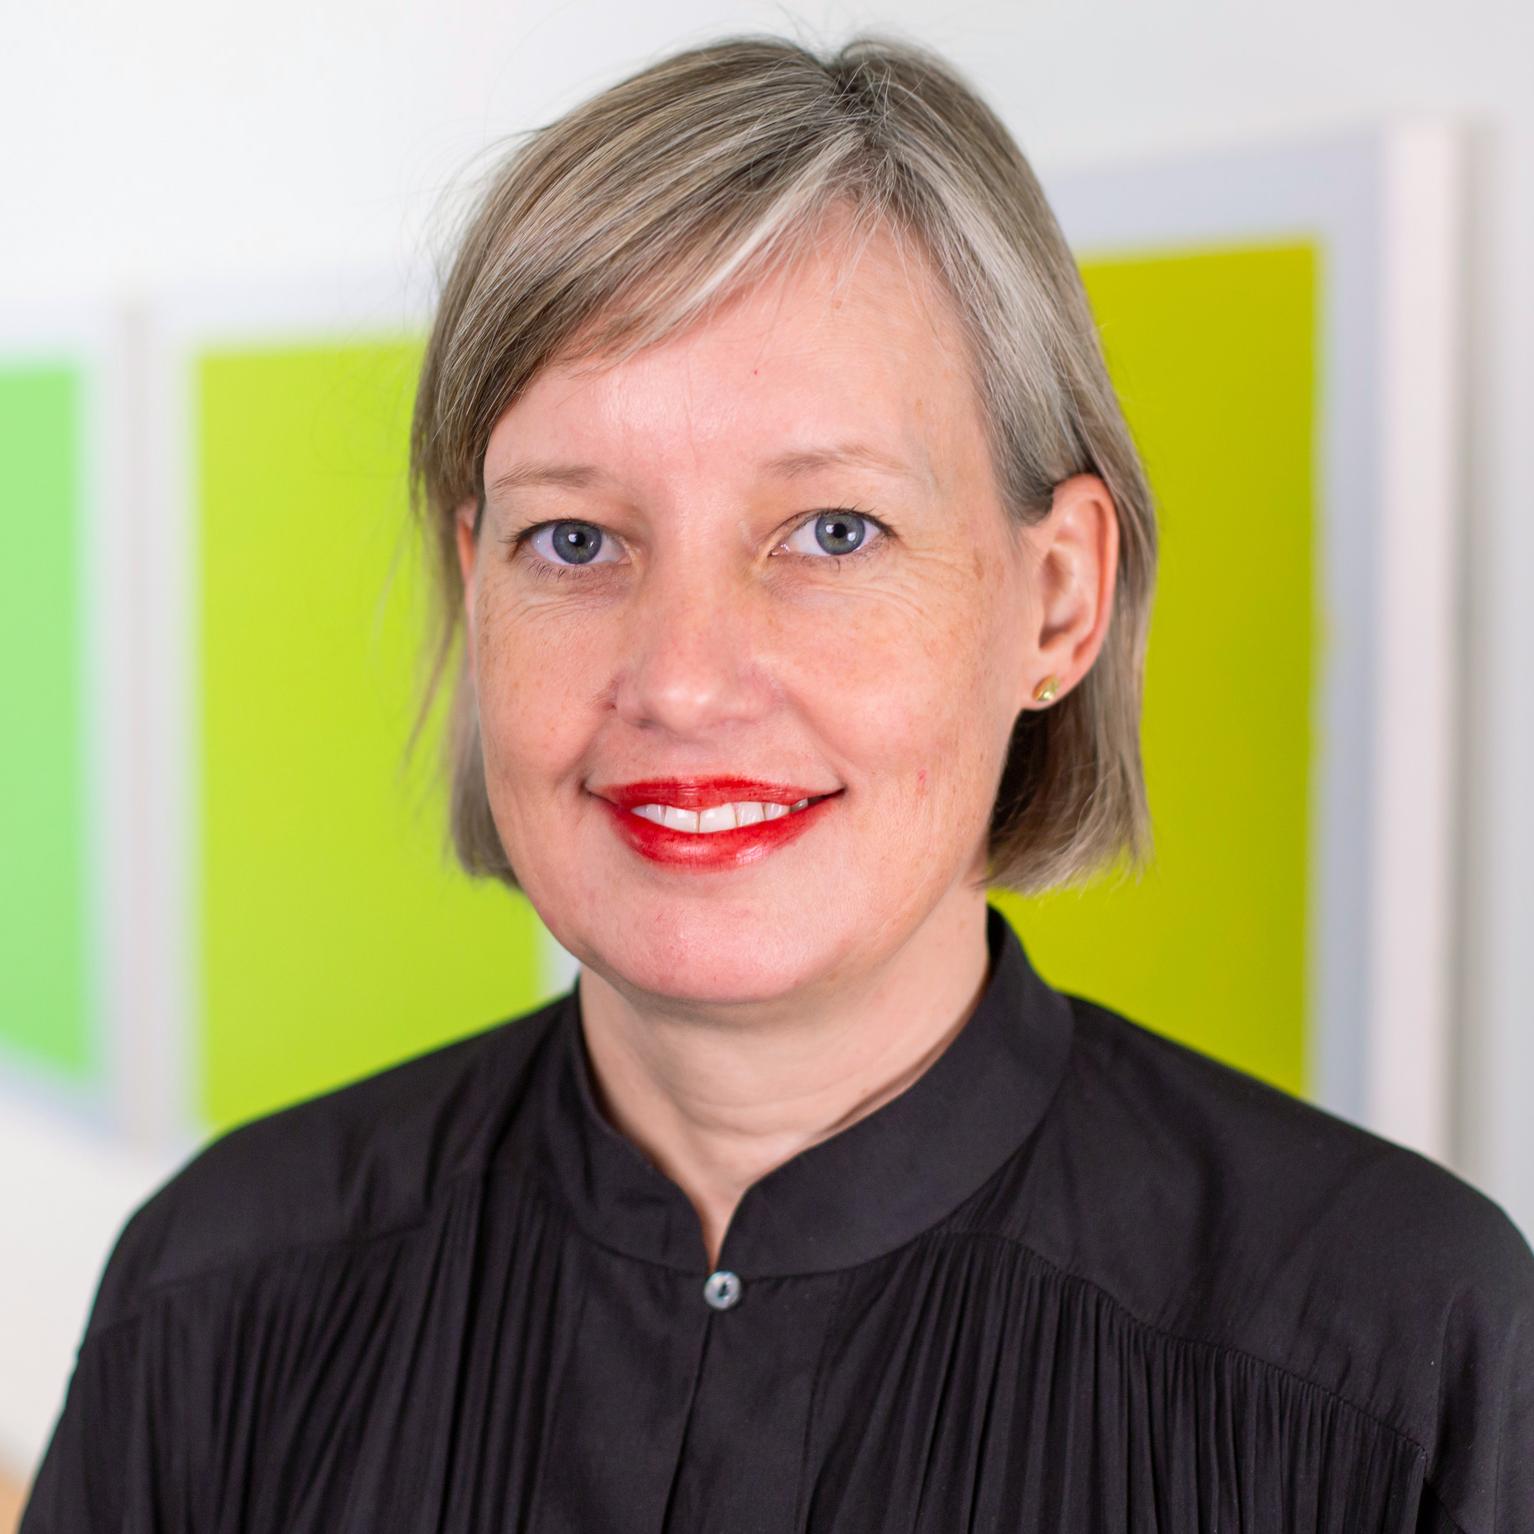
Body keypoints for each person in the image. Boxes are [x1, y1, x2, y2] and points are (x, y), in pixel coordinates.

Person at [22, 32, 1533, 1534]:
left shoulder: (1399, 1362)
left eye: (830, 530)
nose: (680, 676)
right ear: (473, 584)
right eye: (575, 538)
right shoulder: (213, 1294)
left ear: (1057, 598)